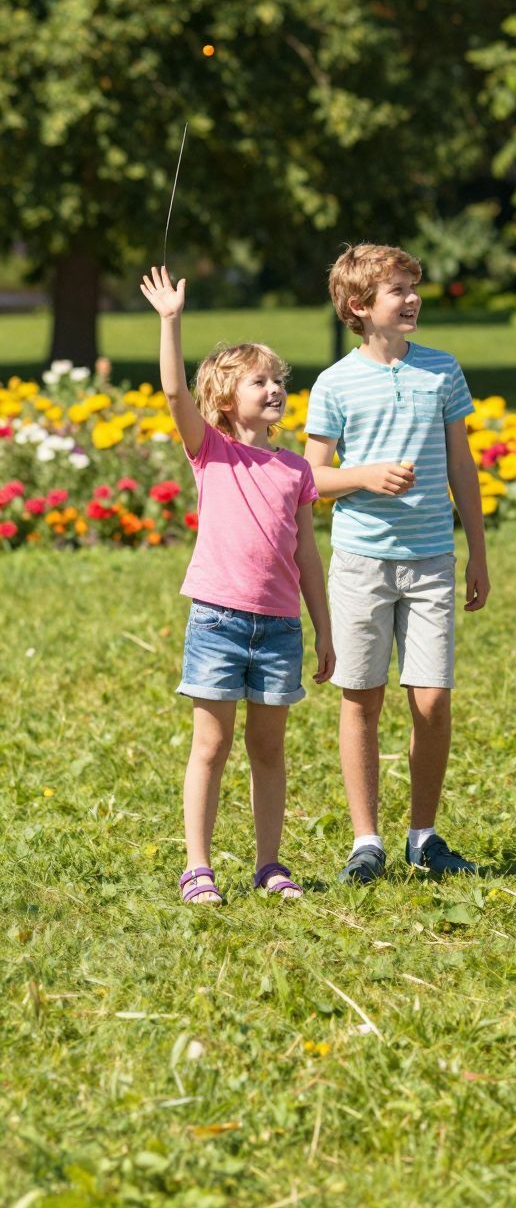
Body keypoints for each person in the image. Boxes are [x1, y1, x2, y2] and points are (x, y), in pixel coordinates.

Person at [139, 265, 334, 907]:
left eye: (280, 380)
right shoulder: (211, 451)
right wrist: (170, 322)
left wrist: (323, 628)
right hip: (218, 622)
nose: (276, 389)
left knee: (269, 749)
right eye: (261, 381)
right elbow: (172, 395)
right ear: (226, 400)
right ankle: (197, 866)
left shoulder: (295, 468)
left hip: (279, 628)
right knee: (212, 744)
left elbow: (307, 553)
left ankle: (269, 864)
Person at [304, 243, 489, 882]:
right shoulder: (335, 383)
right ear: (360, 307)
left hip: (434, 557)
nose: (411, 299)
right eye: (397, 290)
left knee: (432, 701)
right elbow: (313, 476)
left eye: (414, 286)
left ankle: (423, 835)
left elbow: (462, 466)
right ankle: (366, 841)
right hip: (362, 564)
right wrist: (366, 475)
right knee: (362, 698)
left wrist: (477, 552)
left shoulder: (442, 371)